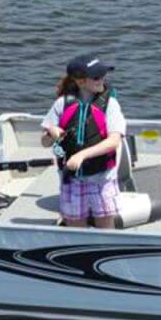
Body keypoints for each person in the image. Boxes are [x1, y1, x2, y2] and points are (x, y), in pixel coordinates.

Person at [40, 54, 128, 228]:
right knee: (75, 225)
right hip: (71, 179)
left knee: (105, 226)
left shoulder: (110, 103)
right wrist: (51, 132)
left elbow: (114, 141)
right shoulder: (61, 104)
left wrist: (82, 155)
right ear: (80, 82)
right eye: (96, 77)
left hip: (101, 178)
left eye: (103, 75)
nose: (102, 79)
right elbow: (44, 142)